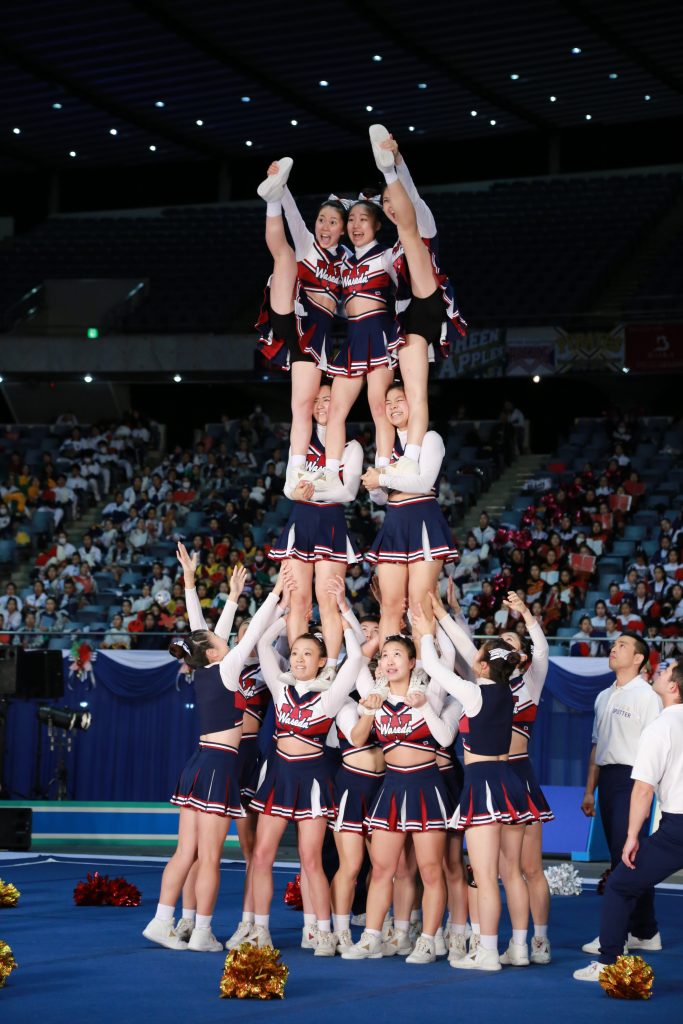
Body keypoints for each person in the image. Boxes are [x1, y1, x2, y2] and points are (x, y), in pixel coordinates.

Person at [141, 545, 287, 953]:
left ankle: (161, 919)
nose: (224, 640)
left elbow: (199, 628)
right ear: (213, 651)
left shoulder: (206, 666)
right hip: (220, 765)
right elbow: (253, 631)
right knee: (208, 857)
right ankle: (202, 932)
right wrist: (275, 594)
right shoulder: (225, 667)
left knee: (183, 852)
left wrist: (195, 582)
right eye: (219, 641)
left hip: (197, 763)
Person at [430, 584, 553, 963]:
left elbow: (540, 651)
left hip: (511, 776)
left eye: (511, 639)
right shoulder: (489, 680)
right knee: (505, 870)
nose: (505, 642)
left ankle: (530, 943)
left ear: (518, 655)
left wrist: (527, 616)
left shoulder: (526, 682)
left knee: (521, 869)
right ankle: (515, 945)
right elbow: (468, 647)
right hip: (506, 778)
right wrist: (441, 612)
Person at [248, 595, 363, 955]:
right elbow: (263, 644)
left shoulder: (330, 697)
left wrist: (346, 617)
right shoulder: (280, 688)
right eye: (295, 653)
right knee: (263, 854)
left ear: (321, 662)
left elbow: (357, 659)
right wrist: (287, 614)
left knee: (311, 858)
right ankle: (260, 929)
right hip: (280, 778)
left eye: (307, 654)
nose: (298, 659)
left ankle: (320, 931)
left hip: (313, 781)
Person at [342, 634, 456, 965]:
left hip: (426, 786)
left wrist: (429, 625)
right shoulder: (373, 695)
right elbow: (357, 738)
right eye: (385, 656)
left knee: (431, 870)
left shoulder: (429, 694)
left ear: (412, 662)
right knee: (381, 869)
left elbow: (445, 657)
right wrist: (367, 711)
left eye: (397, 654)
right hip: (391, 787)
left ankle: (427, 940)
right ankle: (371, 938)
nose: (389, 660)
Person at [574, 659, 683, 984]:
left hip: (677, 828)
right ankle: (644, 933)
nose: (658, 672)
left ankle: (608, 963)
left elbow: (643, 789)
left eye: (664, 671)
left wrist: (633, 836)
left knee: (620, 885)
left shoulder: (661, 726)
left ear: (673, 687)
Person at [370, 125, 466, 472]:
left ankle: (409, 457)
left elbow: (408, 192)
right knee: (408, 388)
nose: (392, 206)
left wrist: (396, 160)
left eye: (393, 200)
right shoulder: (388, 250)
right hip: (408, 319)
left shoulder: (420, 219)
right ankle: (401, 452)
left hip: (430, 298)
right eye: (386, 205)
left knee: (411, 234)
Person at [255, 158, 348, 463]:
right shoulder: (308, 243)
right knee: (285, 257)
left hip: (313, 341)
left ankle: (297, 466)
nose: (324, 225)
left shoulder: (351, 260)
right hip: (289, 313)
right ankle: (270, 200)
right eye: (321, 219)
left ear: (344, 230)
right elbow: (293, 214)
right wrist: (280, 186)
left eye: (333, 222)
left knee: (302, 405)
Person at [579, 631, 662, 954]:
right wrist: (590, 792)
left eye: (623, 645)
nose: (614, 648)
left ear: (639, 659)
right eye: (614, 644)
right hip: (609, 781)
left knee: (625, 857)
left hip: (635, 779)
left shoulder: (647, 696)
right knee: (624, 857)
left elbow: (656, 748)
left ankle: (620, 934)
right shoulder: (603, 696)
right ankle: (646, 931)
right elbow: (596, 748)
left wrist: (649, 787)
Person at [269, 384, 361, 660]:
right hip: (301, 519)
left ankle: (330, 664)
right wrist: (297, 491)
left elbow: (348, 492)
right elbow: (288, 487)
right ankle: (300, 664)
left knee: (328, 600)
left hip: (330, 519)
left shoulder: (350, 446)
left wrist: (308, 489)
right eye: (317, 399)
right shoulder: (301, 439)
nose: (321, 404)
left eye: (328, 399)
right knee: (297, 600)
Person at [362, 381, 458, 642]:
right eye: (389, 403)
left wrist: (382, 479)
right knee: (390, 606)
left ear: (413, 402)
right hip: (394, 521)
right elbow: (381, 498)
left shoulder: (430, 438)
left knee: (419, 604)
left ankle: (423, 672)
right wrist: (374, 484)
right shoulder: (386, 444)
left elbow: (424, 483)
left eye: (399, 400)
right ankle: (387, 671)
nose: (393, 407)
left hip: (423, 520)